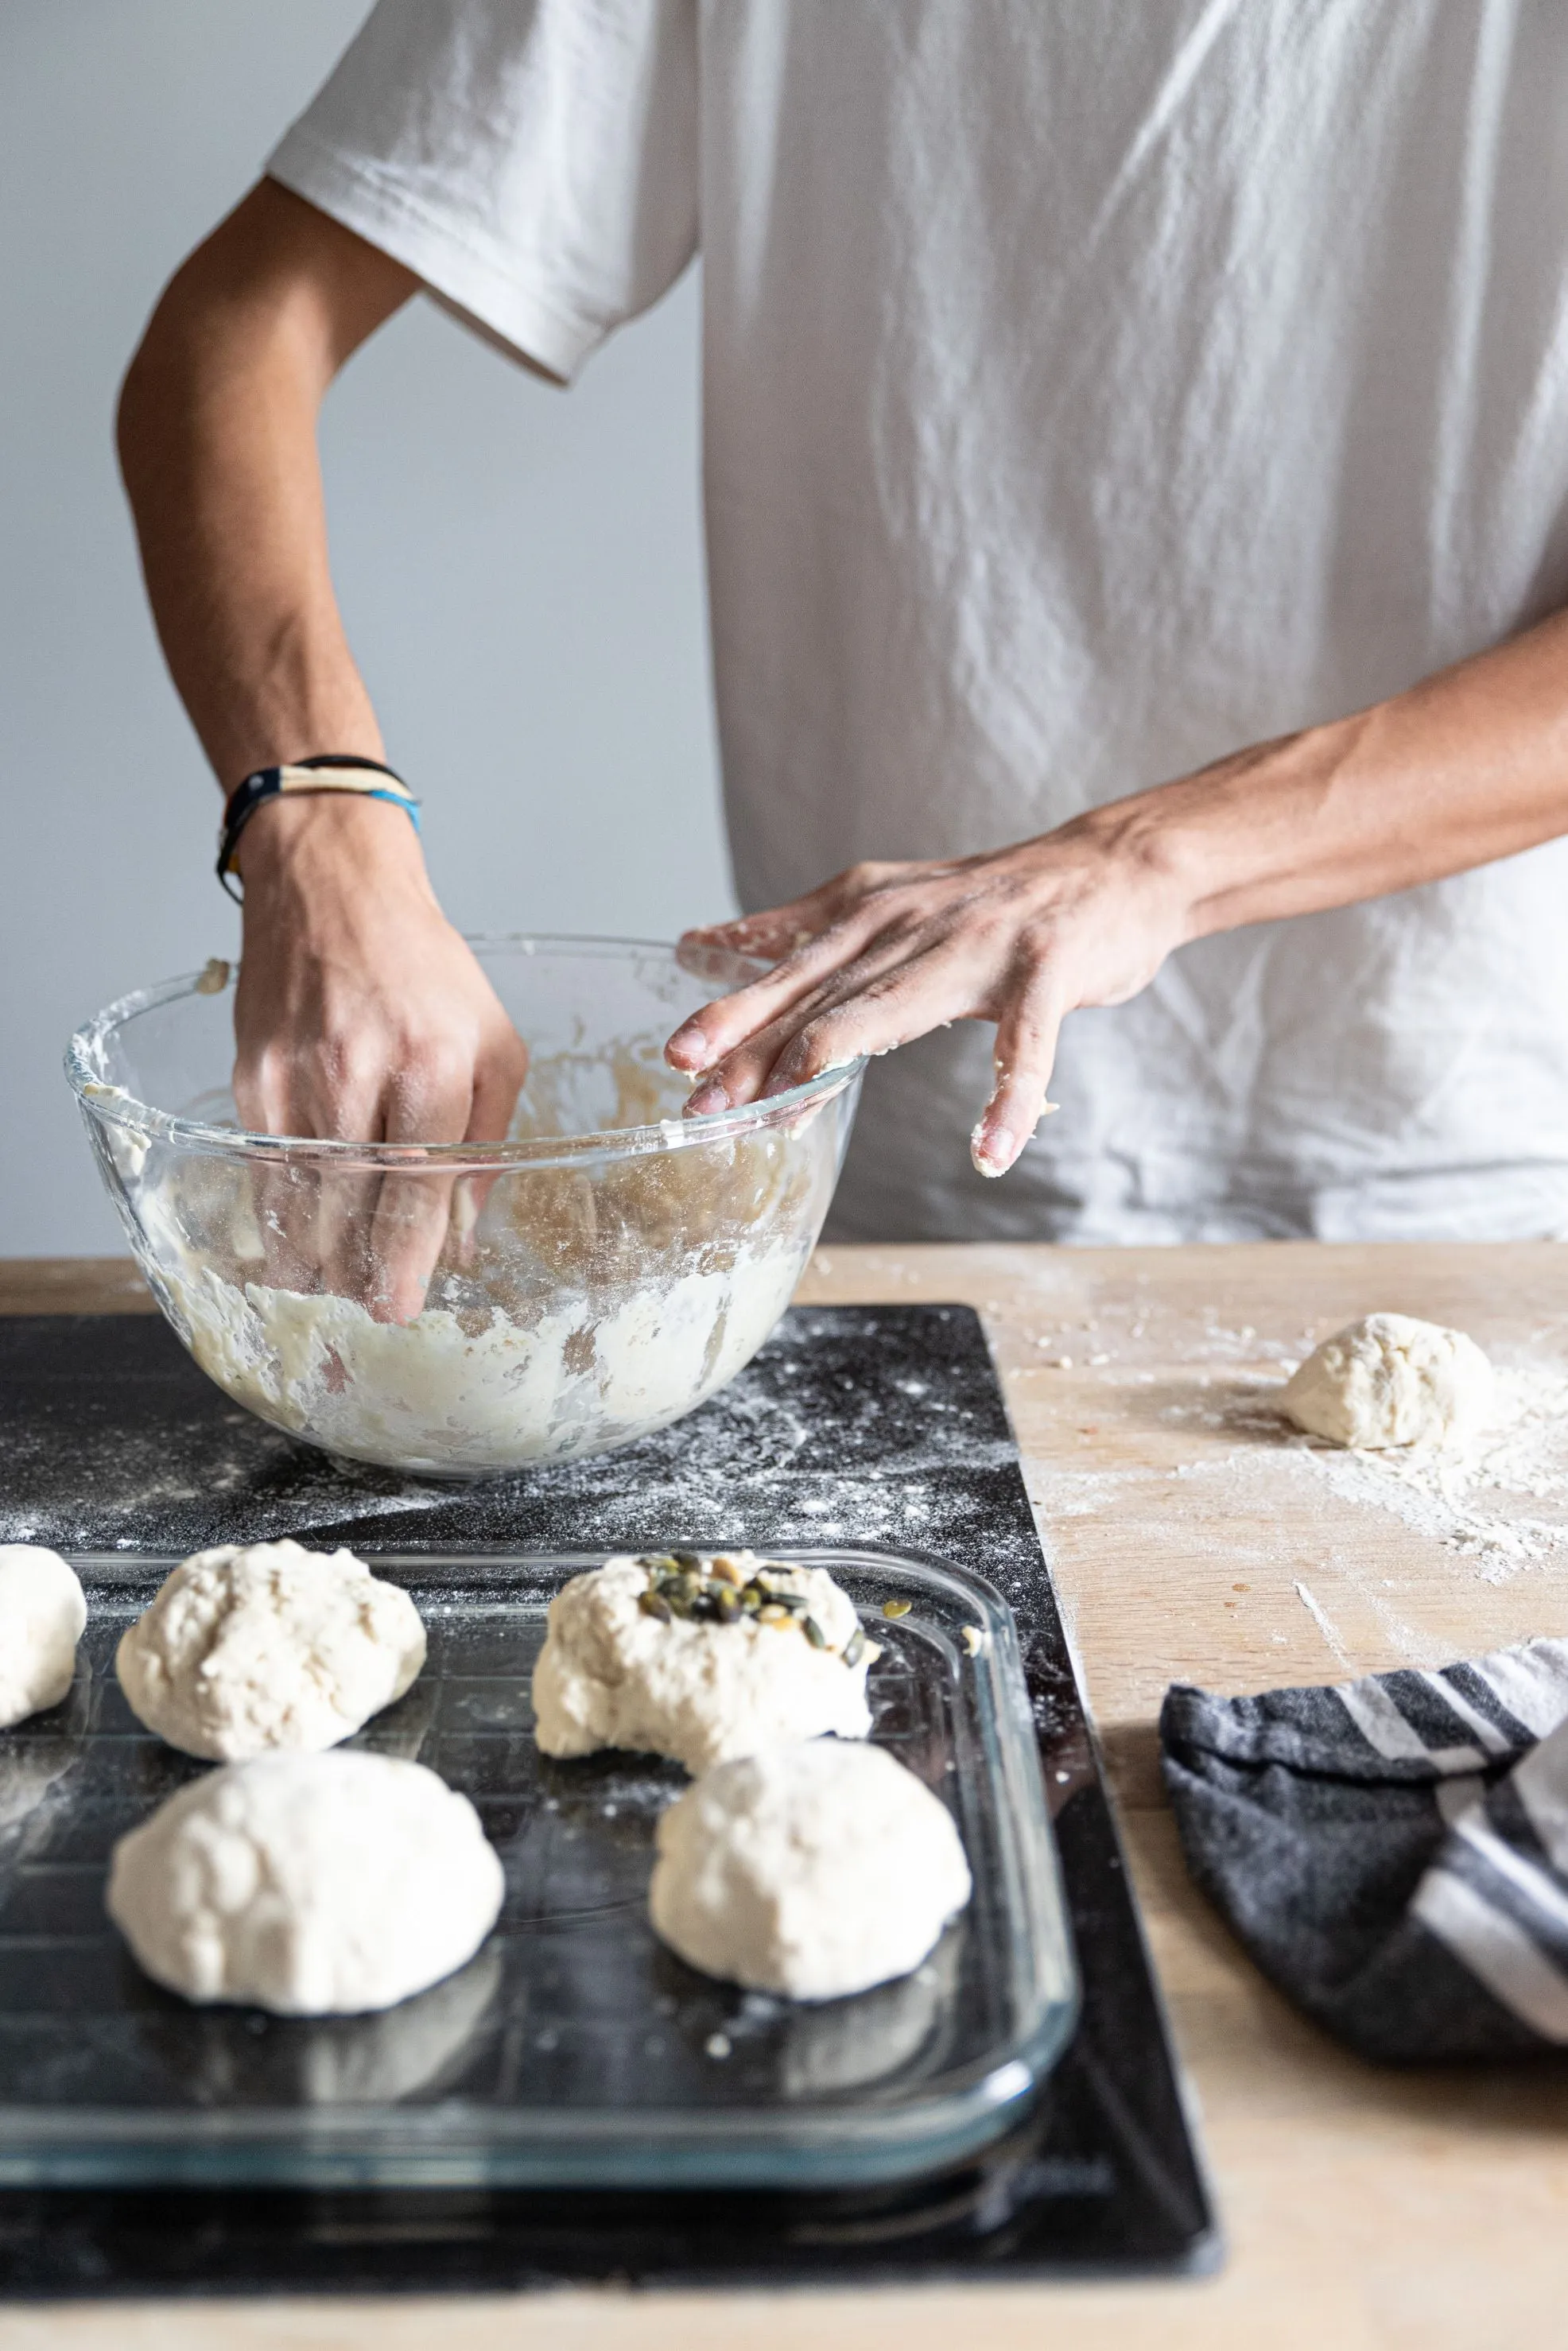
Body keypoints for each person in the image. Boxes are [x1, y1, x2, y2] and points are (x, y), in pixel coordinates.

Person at [118, 2, 1568, 1286]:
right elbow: (240, 332)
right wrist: (314, 823)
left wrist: (1148, 863)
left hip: (1475, 1178)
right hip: (890, 1166)